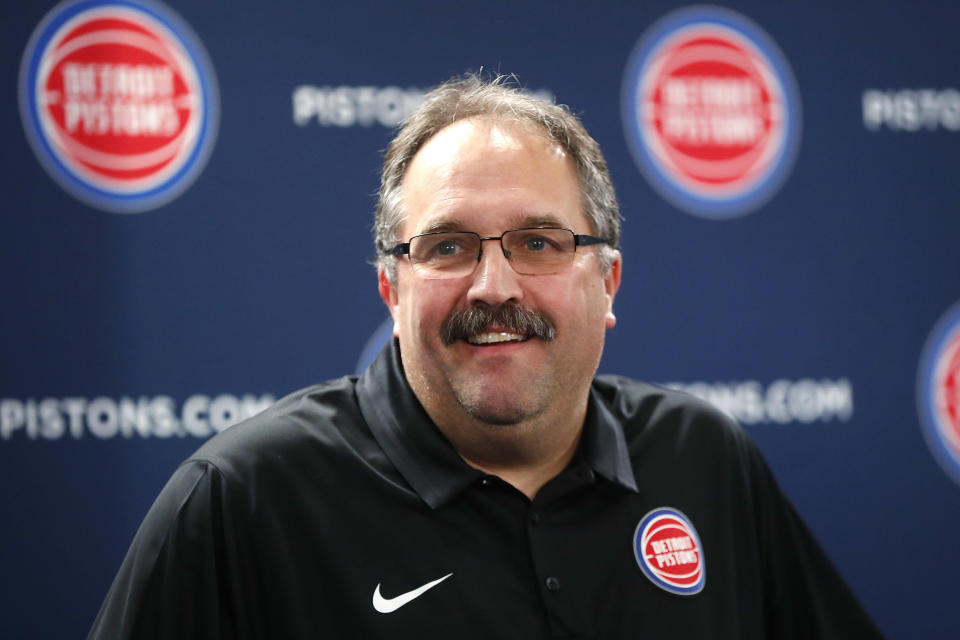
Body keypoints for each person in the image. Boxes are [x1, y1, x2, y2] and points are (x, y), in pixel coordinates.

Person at [89, 73, 883, 639]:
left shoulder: (705, 461)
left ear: (606, 281)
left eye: (539, 241)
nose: (495, 285)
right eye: (449, 246)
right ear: (391, 292)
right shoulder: (240, 501)